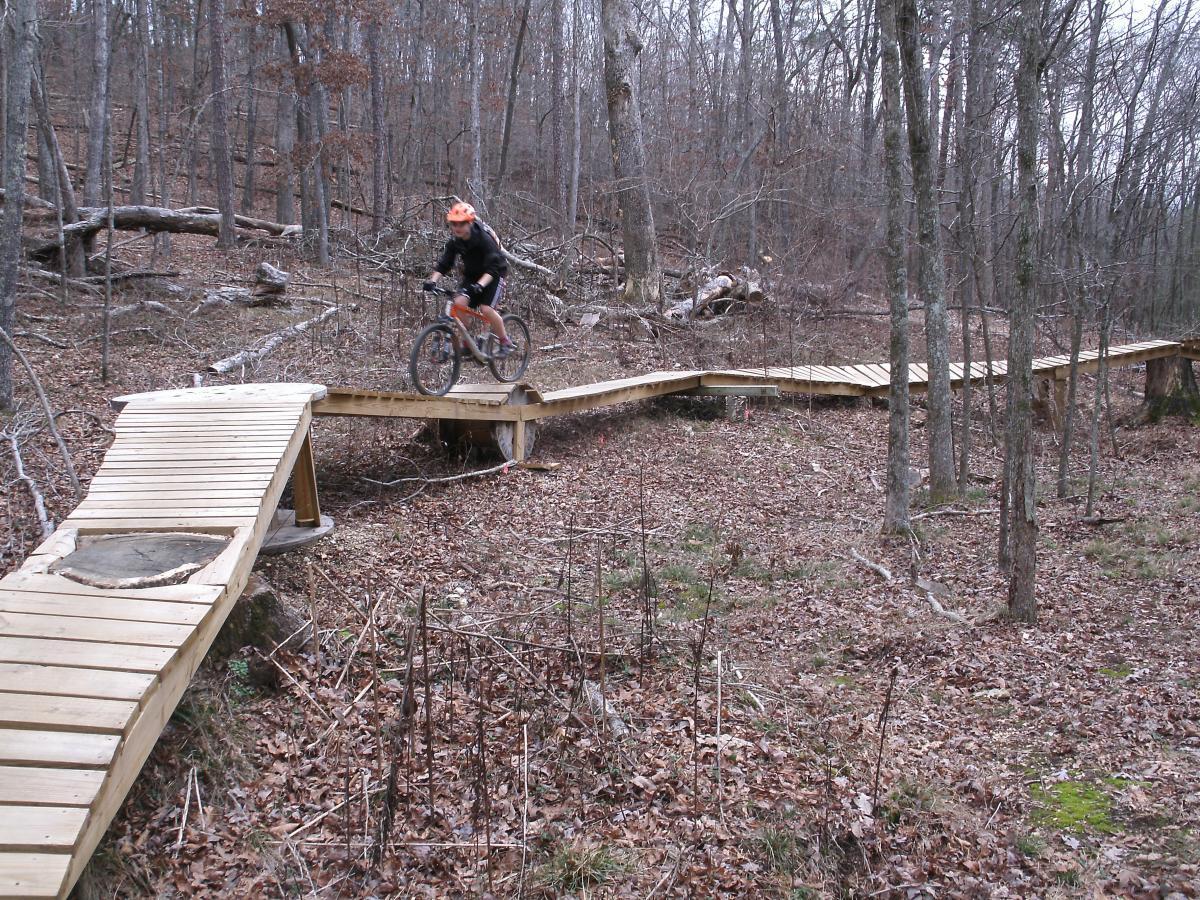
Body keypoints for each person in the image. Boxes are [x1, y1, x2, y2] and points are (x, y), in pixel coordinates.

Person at [423, 202, 513, 355]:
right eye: (454, 223)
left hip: (494, 275)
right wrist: (432, 281)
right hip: (472, 276)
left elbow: (492, 269)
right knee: (458, 304)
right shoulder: (455, 242)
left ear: (470, 222)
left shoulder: (484, 239)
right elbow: (444, 264)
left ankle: (505, 341)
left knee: (486, 309)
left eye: (462, 223)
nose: (457, 227)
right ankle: (468, 342)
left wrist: (480, 285)